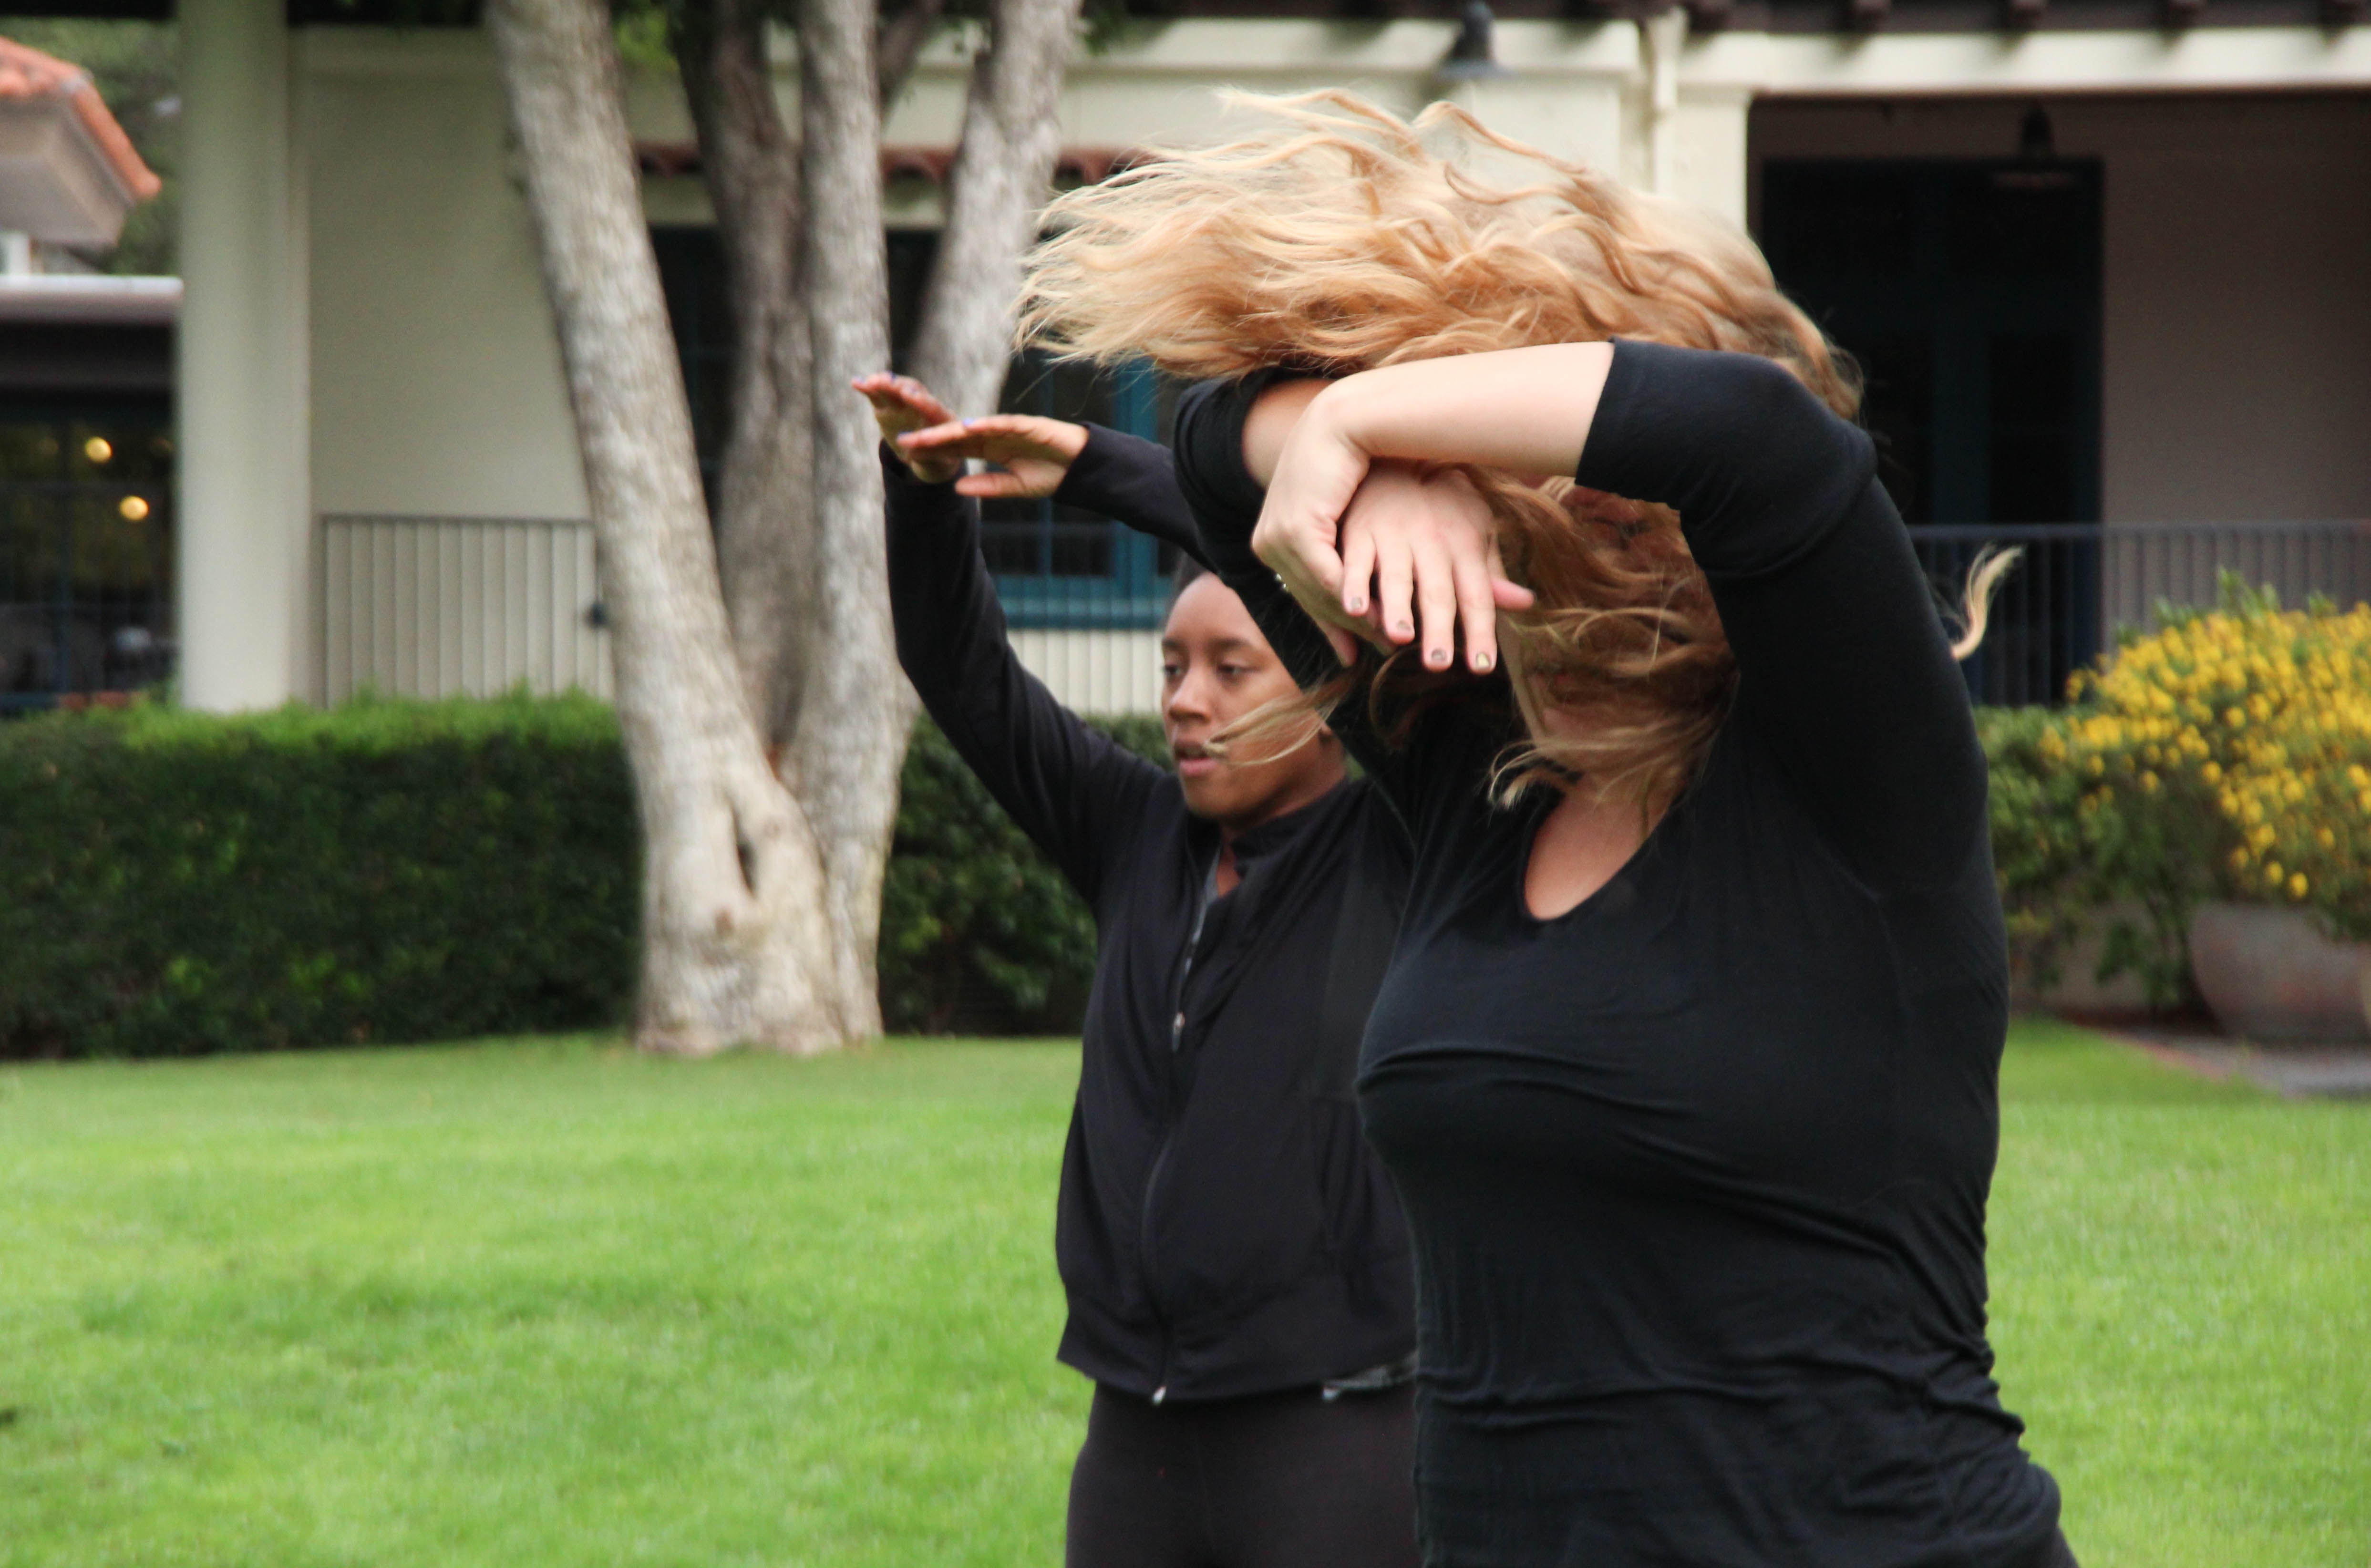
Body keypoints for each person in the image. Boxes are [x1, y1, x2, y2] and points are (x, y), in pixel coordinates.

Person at [1014, 93, 2074, 1568]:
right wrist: (1384, 464)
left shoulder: (1859, 777)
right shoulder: (1479, 775)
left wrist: (1362, 421)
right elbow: (1206, 446)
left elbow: (1751, 436)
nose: (1577, 496)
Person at [854, 370, 1422, 1568]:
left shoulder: (1404, 849)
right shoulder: (1134, 837)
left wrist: (1092, 467)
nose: (1185, 702)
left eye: (1230, 668)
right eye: (1171, 668)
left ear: (1324, 682)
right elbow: (963, 677)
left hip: (1335, 1436)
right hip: (1135, 1433)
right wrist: (923, 493)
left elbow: (1317, 588)